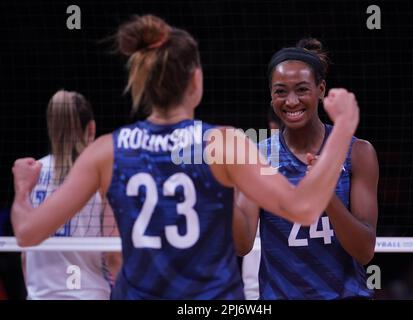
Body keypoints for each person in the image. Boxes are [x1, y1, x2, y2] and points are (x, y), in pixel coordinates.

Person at [11, 15, 360, 300]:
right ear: (196, 81)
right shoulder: (224, 143)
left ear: (144, 83)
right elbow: (303, 207)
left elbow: (26, 233)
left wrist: (23, 190)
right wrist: (343, 126)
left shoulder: (107, 150)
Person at [234, 38, 379, 299]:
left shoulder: (357, 152)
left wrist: (325, 196)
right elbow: (242, 245)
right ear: (270, 94)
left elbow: (365, 251)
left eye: (302, 89)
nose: (291, 101)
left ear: (321, 89)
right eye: (280, 91)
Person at [22, 90, 120, 300]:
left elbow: (24, 253)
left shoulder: (31, 172)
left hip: (41, 294)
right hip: (88, 293)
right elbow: (113, 255)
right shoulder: (100, 176)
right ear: (91, 128)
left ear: (52, 127)